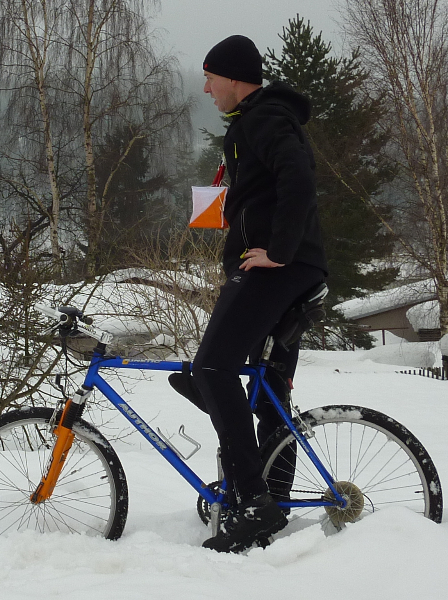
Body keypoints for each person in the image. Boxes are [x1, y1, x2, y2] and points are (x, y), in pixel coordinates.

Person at [181, 35, 328, 553]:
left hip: (278, 270)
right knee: (267, 388)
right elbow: (270, 190)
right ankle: (275, 502)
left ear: (235, 77)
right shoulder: (257, 122)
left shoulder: (263, 120)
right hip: (291, 269)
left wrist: (280, 250)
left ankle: (252, 500)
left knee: (211, 369)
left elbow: (299, 181)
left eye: (211, 77)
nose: (206, 88)